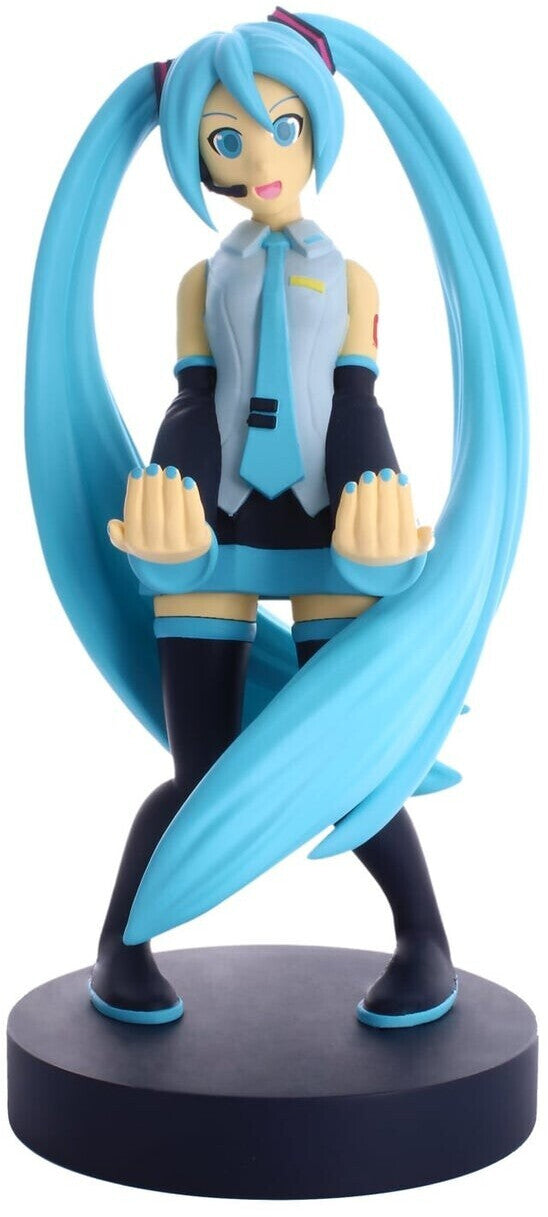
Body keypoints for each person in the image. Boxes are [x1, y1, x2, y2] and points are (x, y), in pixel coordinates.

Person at [25, 11, 527, 1027]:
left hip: (332, 531)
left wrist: (373, 507)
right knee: (199, 773)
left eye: (282, 127)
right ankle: (123, 946)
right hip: (210, 534)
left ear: (318, 131)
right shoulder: (199, 282)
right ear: (199, 159)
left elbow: (354, 401)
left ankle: (422, 939)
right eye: (227, 139)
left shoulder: (350, 279)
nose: (259, 160)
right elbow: (191, 398)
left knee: (357, 757)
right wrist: (173, 507)